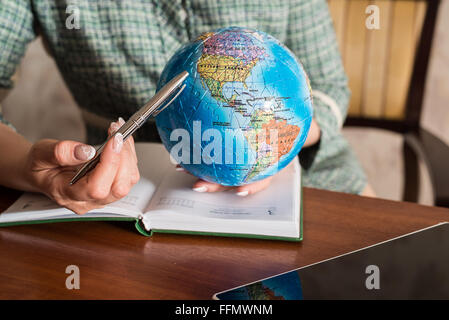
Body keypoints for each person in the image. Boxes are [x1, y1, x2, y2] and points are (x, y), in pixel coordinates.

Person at [0, 0, 373, 215]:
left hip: (317, 181)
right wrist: (29, 169)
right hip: (124, 192)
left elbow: (328, 88)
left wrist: (278, 141)